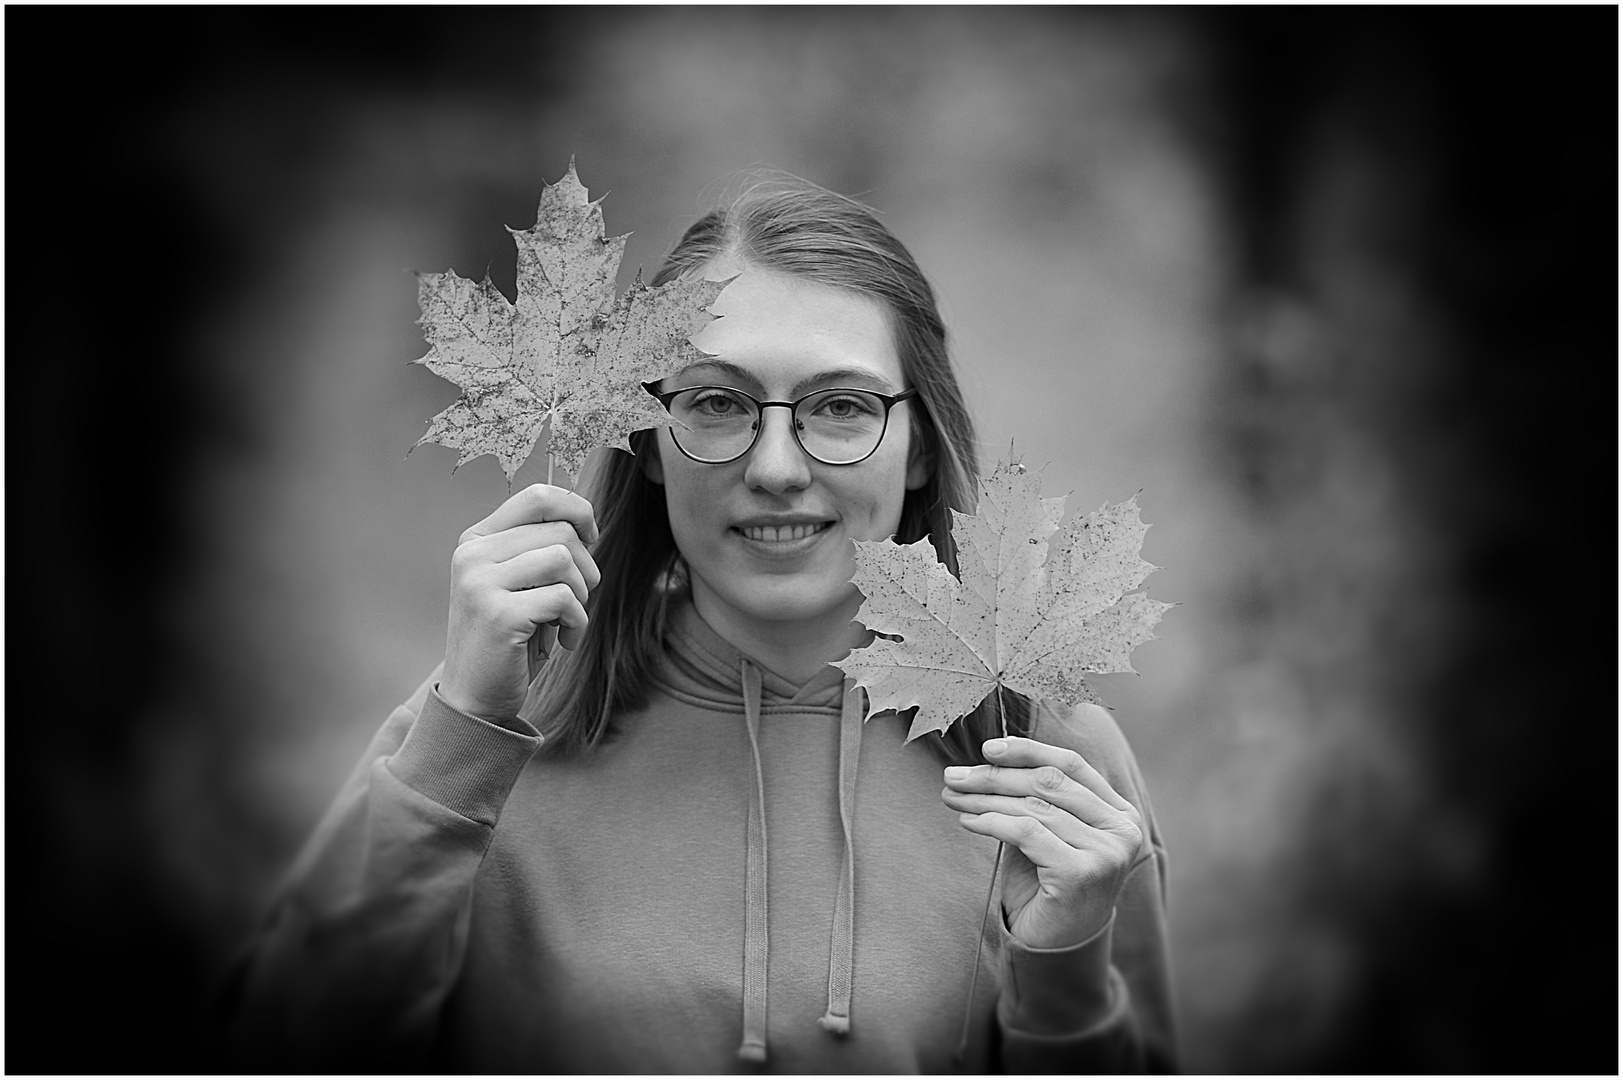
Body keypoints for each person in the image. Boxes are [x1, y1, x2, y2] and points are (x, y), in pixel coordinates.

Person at [221, 177, 1177, 1073]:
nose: (774, 467)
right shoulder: (484, 731)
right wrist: (455, 744)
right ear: (646, 441)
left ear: (918, 445)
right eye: (717, 403)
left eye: (839, 407)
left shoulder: (1046, 762)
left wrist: (1064, 975)